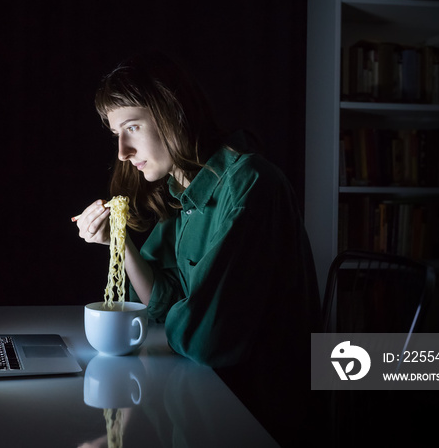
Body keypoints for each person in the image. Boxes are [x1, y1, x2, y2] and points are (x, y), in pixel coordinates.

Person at [74, 50, 321, 446]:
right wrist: (117, 242)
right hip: (202, 400)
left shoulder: (249, 185)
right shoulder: (185, 189)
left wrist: (181, 314)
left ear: (172, 113)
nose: (122, 151)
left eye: (132, 128)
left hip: (253, 415)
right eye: (115, 135)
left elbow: (206, 340)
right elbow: (158, 302)